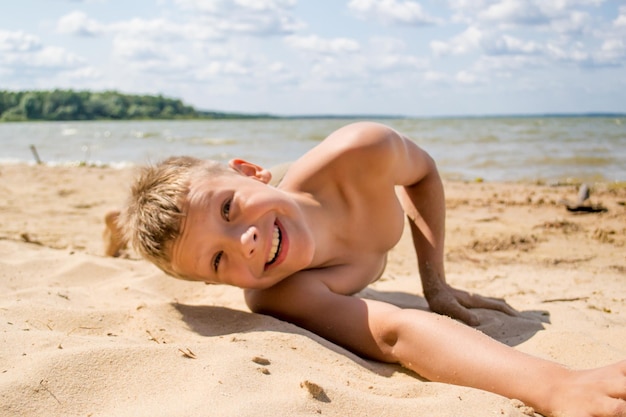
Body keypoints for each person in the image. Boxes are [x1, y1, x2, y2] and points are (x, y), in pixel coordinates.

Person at [109, 122, 626, 417]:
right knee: (131, 232)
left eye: (228, 209)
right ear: (215, 285)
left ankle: (118, 223)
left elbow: (422, 172)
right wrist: (554, 386)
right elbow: (395, 333)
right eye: (217, 261)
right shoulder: (280, 292)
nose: (242, 240)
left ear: (249, 171)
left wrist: (435, 284)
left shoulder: (357, 152)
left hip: (325, 183)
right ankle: (117, 228)